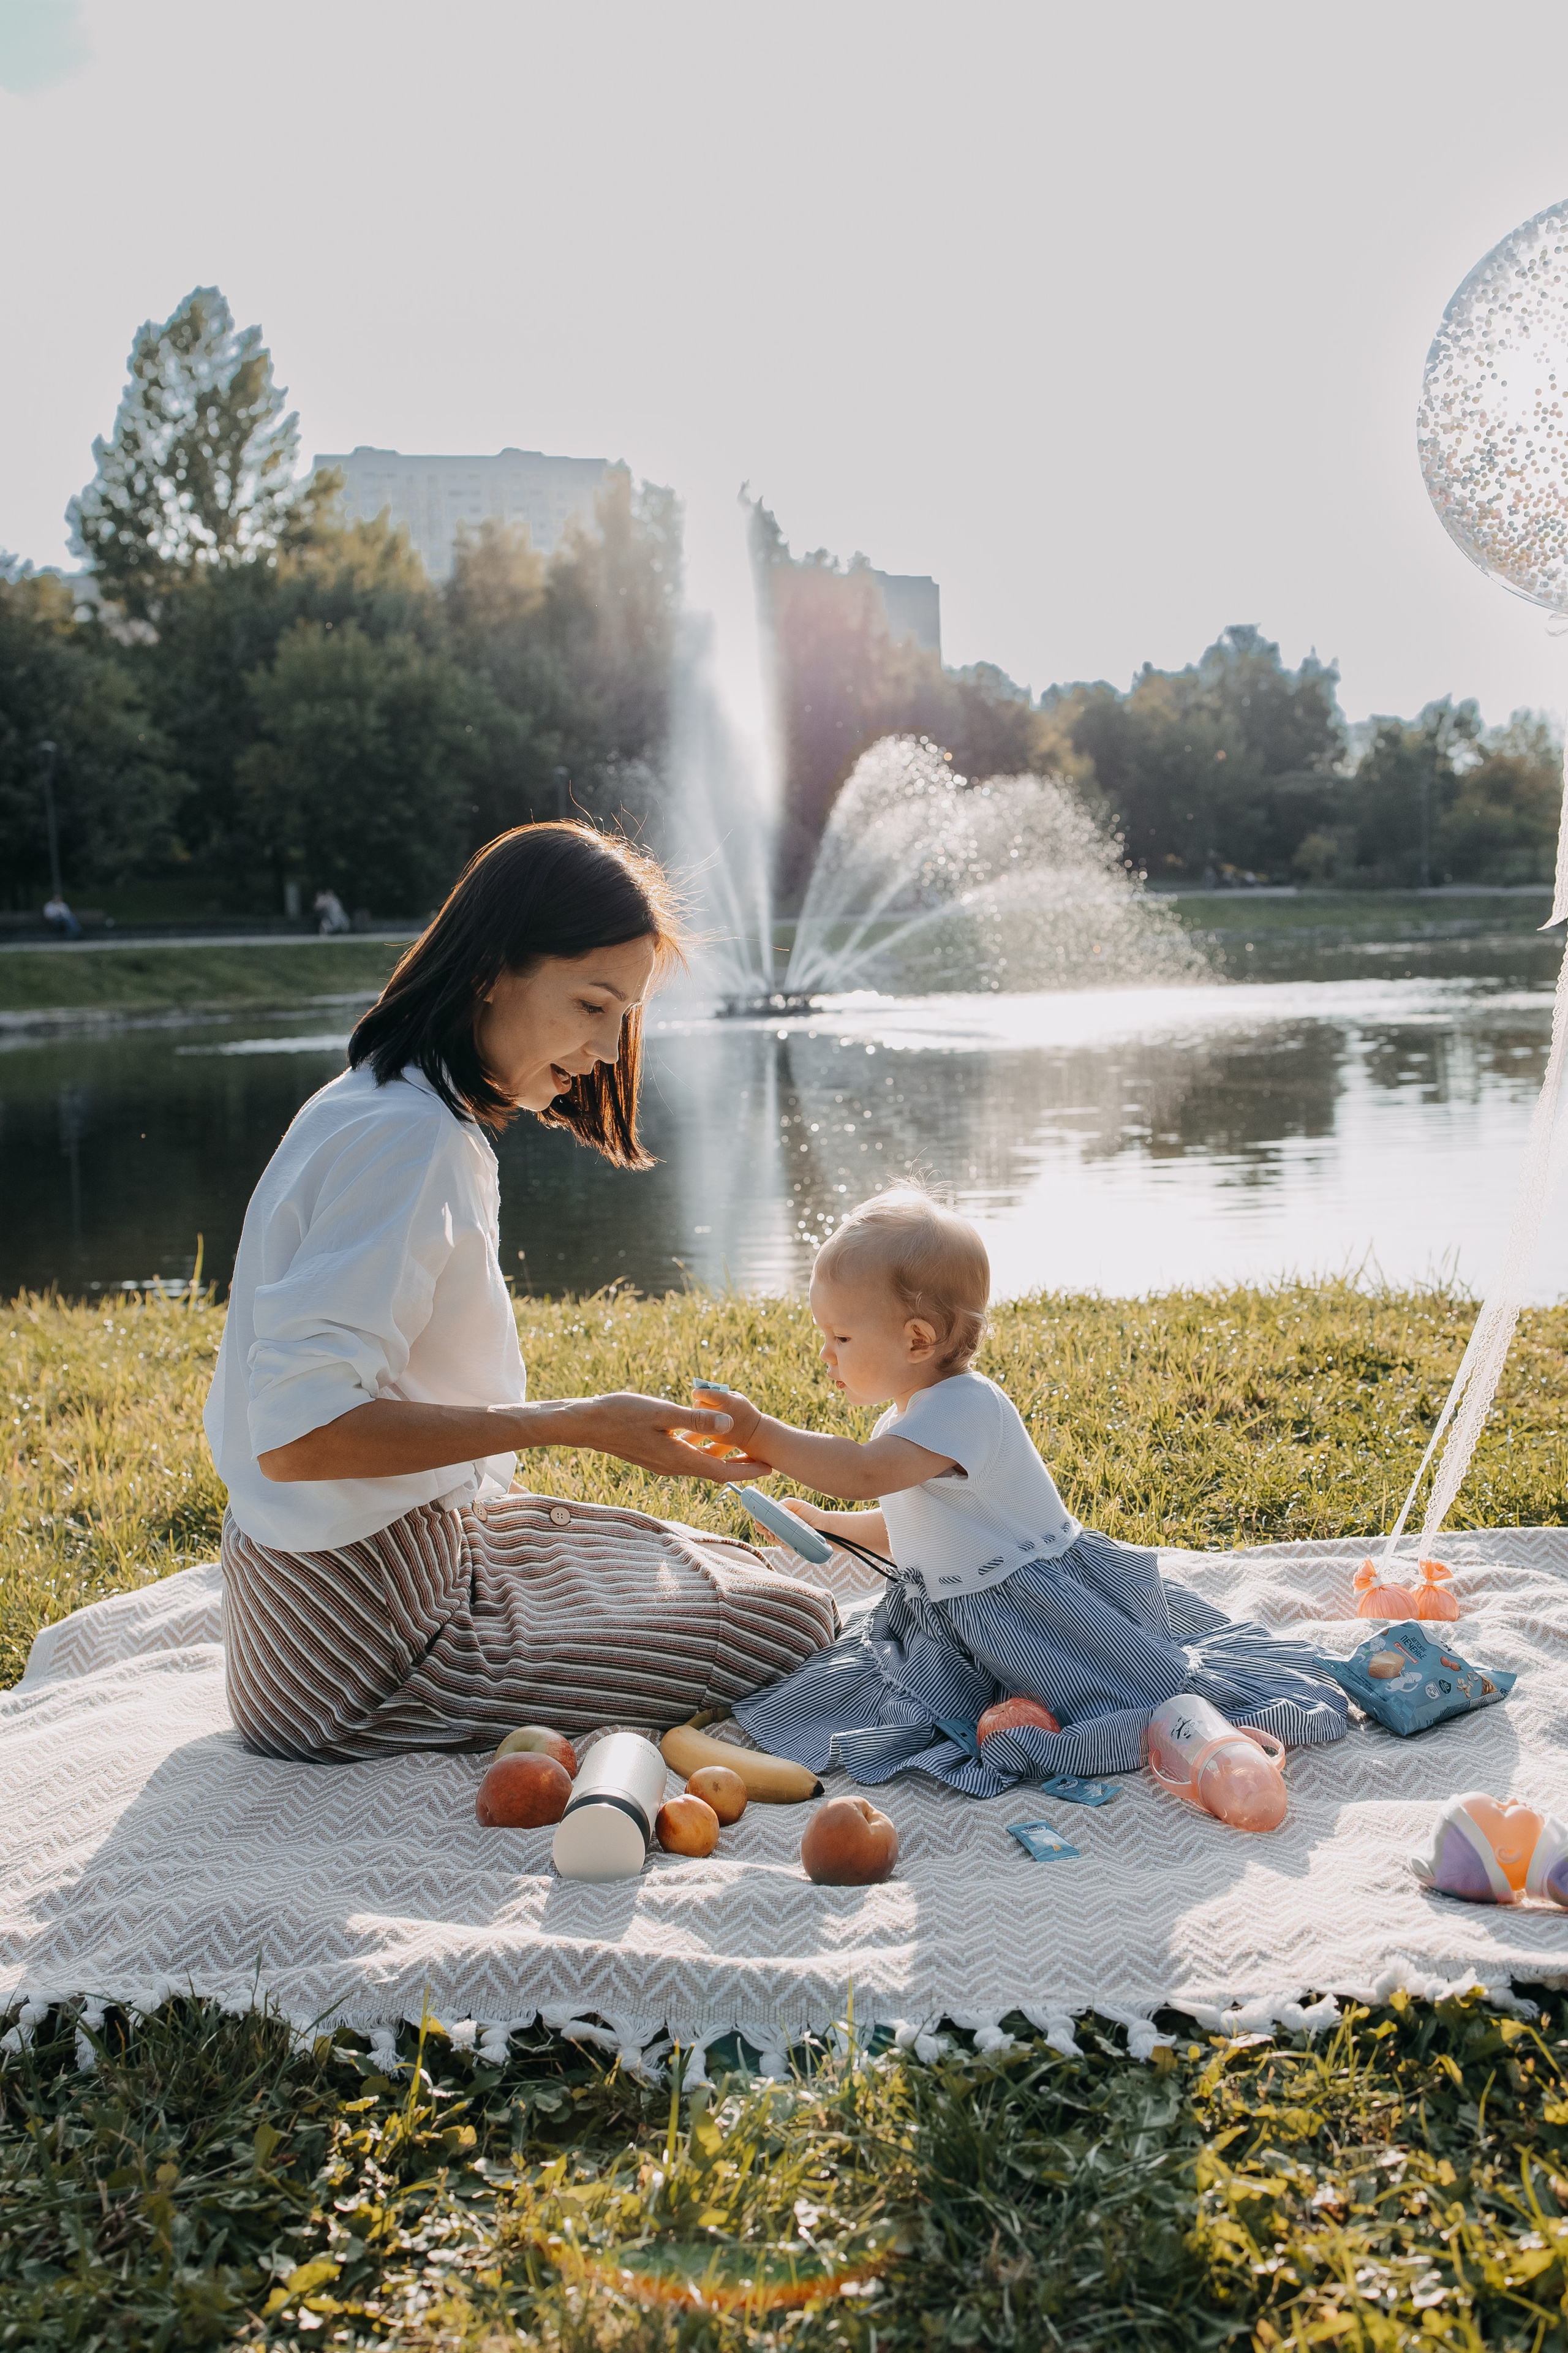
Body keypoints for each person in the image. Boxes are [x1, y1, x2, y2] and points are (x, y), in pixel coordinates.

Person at [206, 823, 837, 1761]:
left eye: (624, 1014)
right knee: (793, 1620)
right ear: (493, 971)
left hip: (365, 1576)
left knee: (721, 1564)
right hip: (360, 1655)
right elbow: (299, 1438)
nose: (608, 1047)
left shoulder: (388, 1099)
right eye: (591, 1005)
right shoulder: (408, 1140)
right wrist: (575, 1422)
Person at [697, 1188, 1347, 1792]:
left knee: (1123, 1695)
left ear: (917, 1339)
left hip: (1036, 1613)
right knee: (891, 1685)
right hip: (965, 1613)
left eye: (840, 1337)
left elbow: (864, 1472)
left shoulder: (965, 1408)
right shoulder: (906, 1417)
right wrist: (832, 1526)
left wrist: (760, 1432)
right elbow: (920, 1527)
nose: (825, 1354)